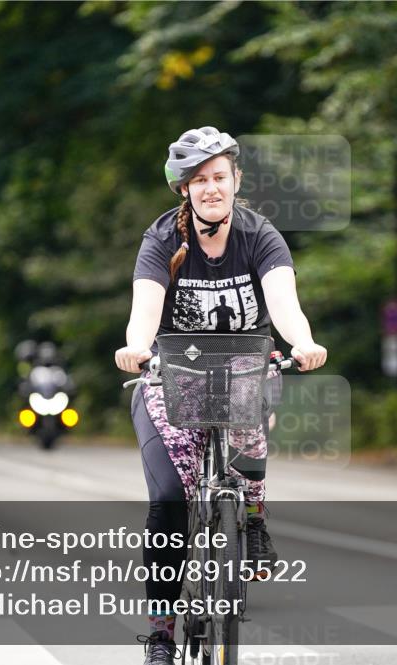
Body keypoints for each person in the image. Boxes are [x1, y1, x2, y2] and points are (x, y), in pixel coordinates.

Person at [115, 126, 327, 663]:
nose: (211, 188)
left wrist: (302, 341)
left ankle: (252, 516)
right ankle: (161, 634)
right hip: (173, 374)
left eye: (220, 177)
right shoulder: (163, 239)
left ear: (236, 181)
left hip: (244, 368)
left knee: (253, 404)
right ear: (184, 189)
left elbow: (284, 301)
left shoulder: (260, 235)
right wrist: (136, 346)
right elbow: (145, 307)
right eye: (200, 180)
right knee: (169, 500)